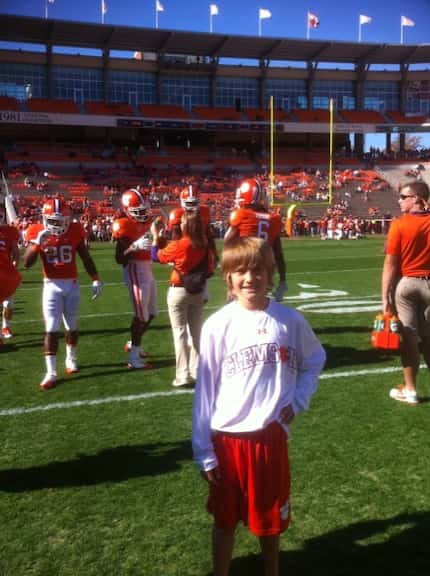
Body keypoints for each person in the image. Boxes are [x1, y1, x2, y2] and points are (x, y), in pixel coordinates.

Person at [192, 237, 325, 576]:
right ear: (228, 279)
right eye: (240, 272)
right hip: (227, 441)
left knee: (270, 523)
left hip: (269, 438)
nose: (249, 278)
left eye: (257, 270)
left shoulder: (289, 320)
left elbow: (315, 358)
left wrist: (298, 400)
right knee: (224, 522)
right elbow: (205, 392)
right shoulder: (217, 325)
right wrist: (204, 450)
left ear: (269, 274)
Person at [23, 197, 103, 390]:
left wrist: (95, 277)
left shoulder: (75, 230)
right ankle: (50, 372)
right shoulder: (36, 231)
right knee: (51, 328)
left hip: (72, 284)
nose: (58, 225)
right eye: (53, 220)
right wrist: (36, 244)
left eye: (61, 220)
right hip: (50, 285)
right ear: (45, 218)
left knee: (72, 326)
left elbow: (85, 256)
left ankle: (71, 358)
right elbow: (26, 263)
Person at [144, 209, 213, 387]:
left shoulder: (180, 244)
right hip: (198, 291)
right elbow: (210, 271)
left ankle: (182, 375)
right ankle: (197, 370)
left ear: (187, 225)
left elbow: (155, 256)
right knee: (196, 333)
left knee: (180, 333)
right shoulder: (205, 244)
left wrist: (154, 236)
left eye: (183, 222)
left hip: (178, 291)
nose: (180, 224)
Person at [382, 180, 430, 405]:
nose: (399, 200)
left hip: (407, 284)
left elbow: (390, 264)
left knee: (409, 338)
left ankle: (410, 389)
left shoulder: (399, 225)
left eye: (404, 196)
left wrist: (384, 297)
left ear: (417, 199)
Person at [112, 188, 157, 369]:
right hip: (134, 269)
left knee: (152, 313)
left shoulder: (147, 221)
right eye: (137, 211)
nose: (143, 213)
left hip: (147, 268)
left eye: (143, 209)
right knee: (141, 316)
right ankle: (134, 358)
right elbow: (119, 259)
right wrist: (133, 247)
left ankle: (133, 343)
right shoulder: (123, 224)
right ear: (127, 211)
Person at [224, 178, 287, 302]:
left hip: (244, 266)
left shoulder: (241, 215)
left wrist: (229, 284)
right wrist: (283, 280)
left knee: (239, 306)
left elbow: (228, 245)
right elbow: (278, 254)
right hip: (264, 268)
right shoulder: (274, 218)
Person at [0, 199, 21, 346]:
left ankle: (5, 326)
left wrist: (14, 266)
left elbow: (16, 253)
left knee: (9, 305)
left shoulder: (9, 231)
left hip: (6, 274)